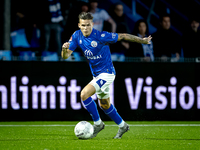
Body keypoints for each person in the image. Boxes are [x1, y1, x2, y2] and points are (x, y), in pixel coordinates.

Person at [61, 12, 152, 139]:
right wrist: (64, 49)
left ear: (92, 24)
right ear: (79, 25)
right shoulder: (76, 36)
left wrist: (142, 40)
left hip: (107, 73)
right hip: (97, 75)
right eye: (83, 25)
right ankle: (123, 126)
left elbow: (123, 36)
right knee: (104, 105)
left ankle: (98, 124)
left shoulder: (101, 36)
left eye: (88, 25)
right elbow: (65, 56)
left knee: (84, 94)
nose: (86, 28)